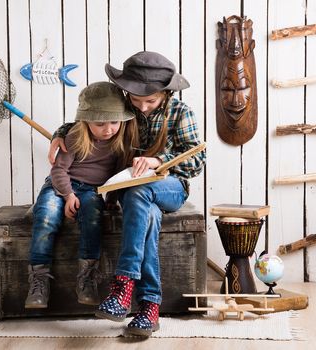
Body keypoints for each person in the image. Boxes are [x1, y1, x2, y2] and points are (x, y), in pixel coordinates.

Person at [49, 51, 206, 337]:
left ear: (166, 93)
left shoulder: (181, 113)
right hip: (131, 191)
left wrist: (159, 160)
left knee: (141, 193)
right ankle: (149, 307)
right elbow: (87, 119)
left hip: (170, 187)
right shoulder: (122, 107)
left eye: (151, 101)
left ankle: (123, 287)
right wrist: (59, 133)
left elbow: (196, 161)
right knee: (144, 210)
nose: (143, 107)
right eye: (137, 101)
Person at [26, 81, 138, 309]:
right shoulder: (75, 137)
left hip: (91, 191)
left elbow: (116, 177)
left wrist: (112, 200)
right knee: (46, 216)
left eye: (114, 122)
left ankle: (87, 278)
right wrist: (67, 195)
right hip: (61, 186)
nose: (108, 129)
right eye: (100, 124)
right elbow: (58, 171)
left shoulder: (119, 142)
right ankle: (39, 279)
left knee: (93, 218)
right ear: (85, 121)